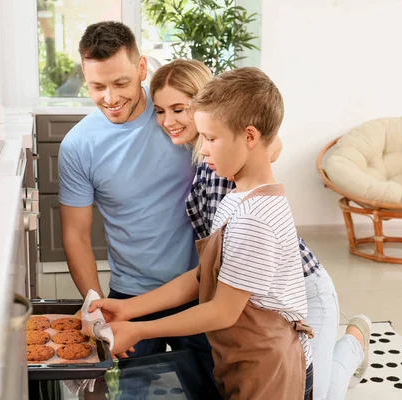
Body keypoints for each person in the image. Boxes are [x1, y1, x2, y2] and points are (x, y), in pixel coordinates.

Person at [150, 59, 372, 398]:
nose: (169, 121)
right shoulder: (216, 167)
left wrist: (137, 327)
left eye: (180, 109)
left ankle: (353, 344)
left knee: (320, 392)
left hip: (302, 288)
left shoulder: (231, 175)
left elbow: (268, 143)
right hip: (258, 295)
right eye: (160, 110)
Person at [90, 67, 316, 399]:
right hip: (246, 361)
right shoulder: (237, 197)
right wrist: (129, 308)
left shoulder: (256, 218)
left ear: (250, 137)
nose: (204, 149)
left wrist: (139, 330)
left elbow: (221, 311)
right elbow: (201, 277)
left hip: (273, 370)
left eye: (211, 138)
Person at [57, 21, 212, 365]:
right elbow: (76, 235)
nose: (110, 99)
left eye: (121, 83)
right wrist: (93, 305)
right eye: (97, 86)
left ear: (142, 68)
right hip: (130, 296)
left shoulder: (177, 118)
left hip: (201, 289)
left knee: (213, 388)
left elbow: (255, 137)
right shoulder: (78, 146)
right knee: (131, 389)